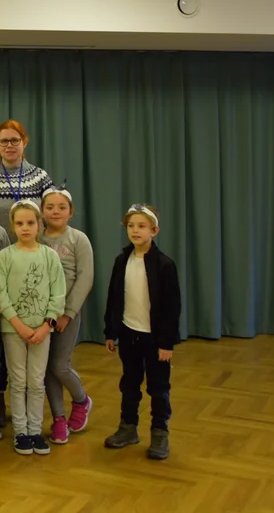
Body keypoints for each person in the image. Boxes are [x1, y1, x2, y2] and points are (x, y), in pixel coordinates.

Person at [104, 204, 181, 461]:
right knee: (129, 383)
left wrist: (166, 343)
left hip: (155, 339)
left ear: (154, 230)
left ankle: (160, 432)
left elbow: (172, 307)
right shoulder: (121, 261)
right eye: (131, 226)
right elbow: (114, 297)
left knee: (158, 387)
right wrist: (110, 331)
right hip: (129, 334)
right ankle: (128, 428)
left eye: (141, 226)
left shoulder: (164, 265)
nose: (135, 230)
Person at [0, 201, 65, 457]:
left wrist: (47, 326)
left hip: (42, 331)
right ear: (13, 227)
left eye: (30, 223)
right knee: (19, 380)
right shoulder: (6, 256)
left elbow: (58, 293)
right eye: (20, 223)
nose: (25, 228)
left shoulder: (49, 256)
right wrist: (18, 324)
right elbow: (0, 294)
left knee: (36, 381)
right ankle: (21, 432)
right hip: (14, 330)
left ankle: (35, 430)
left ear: (39, 225)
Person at [39, 188, 94, 445]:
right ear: (42, 211)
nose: (55, 211)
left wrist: (68, 314)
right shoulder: (37, 238)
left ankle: (82, 400)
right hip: (39, 316)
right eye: (50, 207)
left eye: (61, 207)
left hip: (65, 316)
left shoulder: (78, 239)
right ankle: (59, 418)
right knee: (47, 370)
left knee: (60, 365)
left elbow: (85, 278)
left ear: (71, 212)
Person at [0, 120, 54, 239]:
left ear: (25, 142)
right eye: (4, 141)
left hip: (33, 250)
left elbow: (52, 216)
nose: (9, 145)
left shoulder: (40, 176)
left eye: (15, 140)